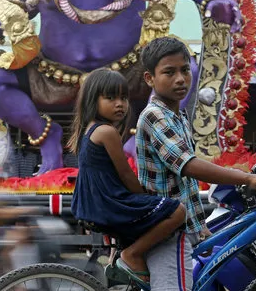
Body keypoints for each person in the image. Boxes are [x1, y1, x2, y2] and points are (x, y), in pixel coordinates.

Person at [135, 37, 256, 290]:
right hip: (166, 234)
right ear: (150, 79)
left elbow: (185, 180)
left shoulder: (176, 114)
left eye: (184, 70)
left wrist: (200, 227)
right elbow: (188, 166)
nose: (180, 79)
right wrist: (244, 178)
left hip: (183, 227)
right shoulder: (154, 115)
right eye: (169, 72)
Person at [70, 69, 187, 287]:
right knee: (177, 211)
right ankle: (132, 254)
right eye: (110, 98)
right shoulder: (106, 132)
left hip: (96, 203)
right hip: (110, 202)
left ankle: (126, 257)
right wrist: (146, 197)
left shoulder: (89, 129)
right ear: (92, 100)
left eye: (123, 98)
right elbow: (125, 173)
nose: (120, 104)